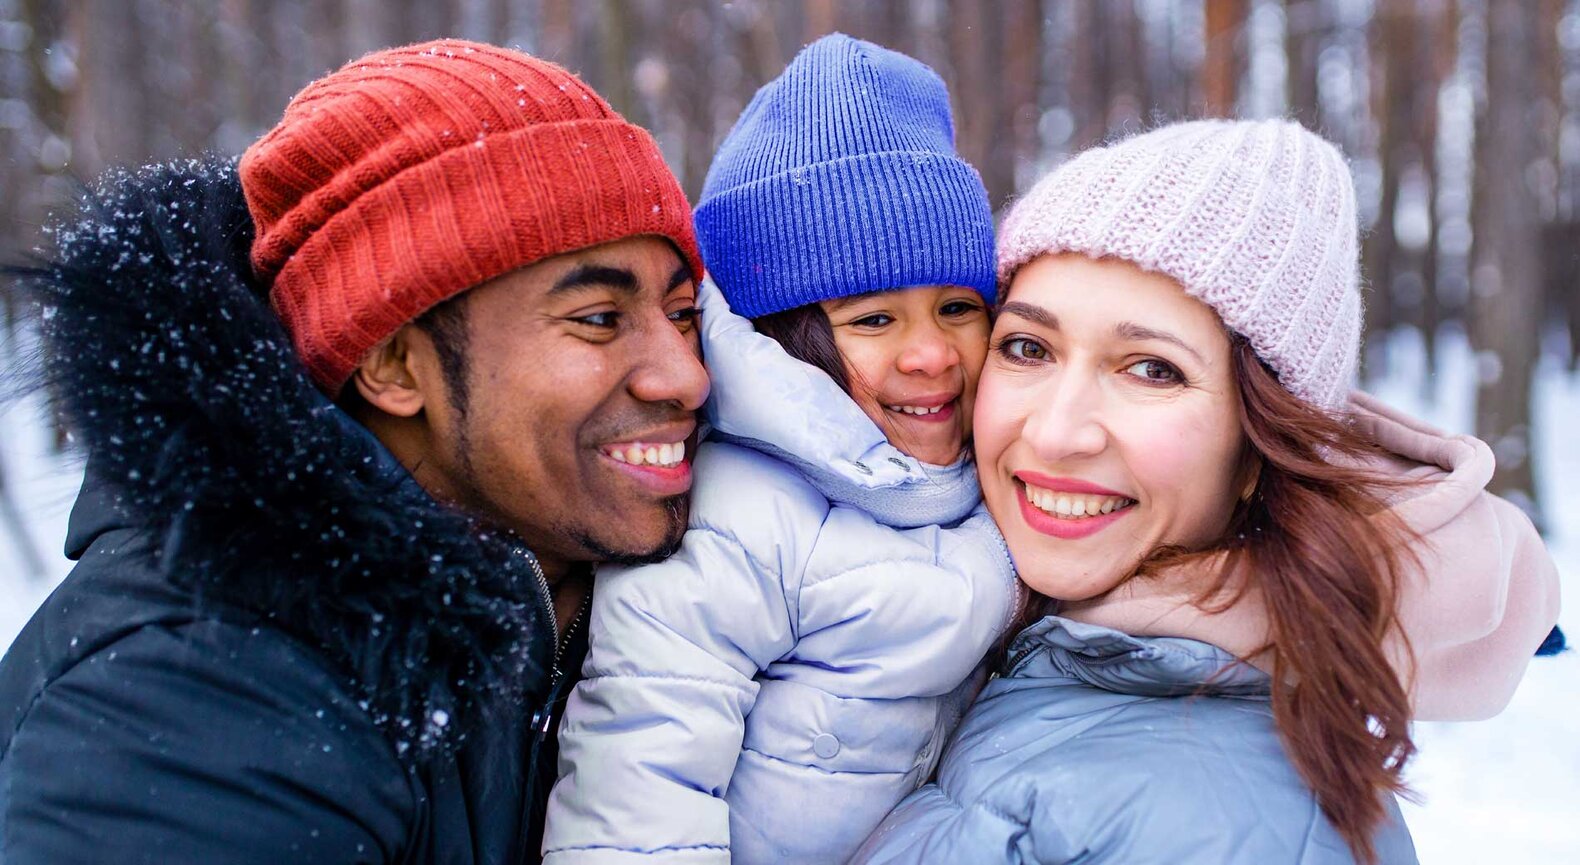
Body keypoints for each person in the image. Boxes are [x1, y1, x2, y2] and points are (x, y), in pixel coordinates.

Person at [0, 40, 708, 864]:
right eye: (597, 318)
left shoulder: (639, 591)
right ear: (391, 363)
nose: (684, 376)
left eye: (684, 312)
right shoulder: (203, 692)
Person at [853, 119, 1561, 864]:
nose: (1058, 432)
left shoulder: (1222, 823)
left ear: (1260, 447)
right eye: (1029, 347)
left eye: (1151, 369)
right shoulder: (989, 638)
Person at [543, 34, 1020, 864]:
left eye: (957, 307)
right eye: (874, 319)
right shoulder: (735, 517)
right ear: (788, 340)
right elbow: (638, 786)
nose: (931, 354)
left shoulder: (999, 473)